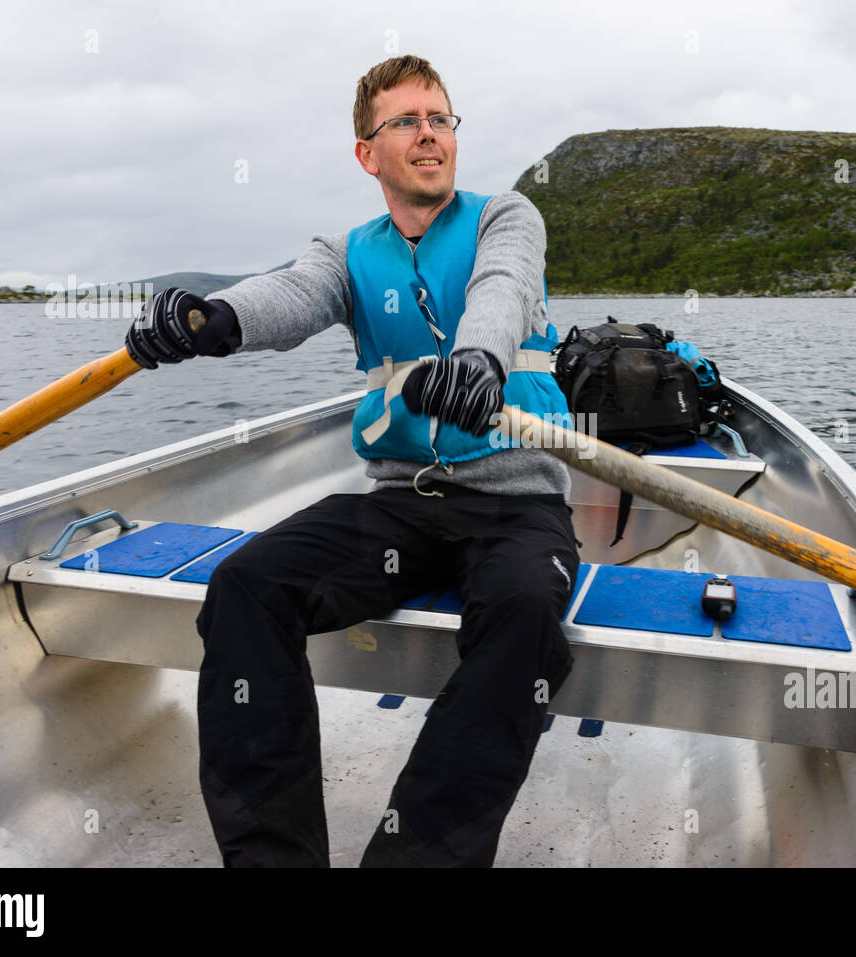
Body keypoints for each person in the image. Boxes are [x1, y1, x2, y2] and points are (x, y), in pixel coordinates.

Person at [122, 55, 580, 867]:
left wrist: (477, 361)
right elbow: (289, 298)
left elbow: (502, 291)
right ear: (368, 153)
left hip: (517, 504)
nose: (430, 135)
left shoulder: (506, 216)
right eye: (406, 121)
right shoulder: (346, 252)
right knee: (245, 587)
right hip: (402, 501)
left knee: (523, 617)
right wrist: (210, 317)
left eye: (441, 118)